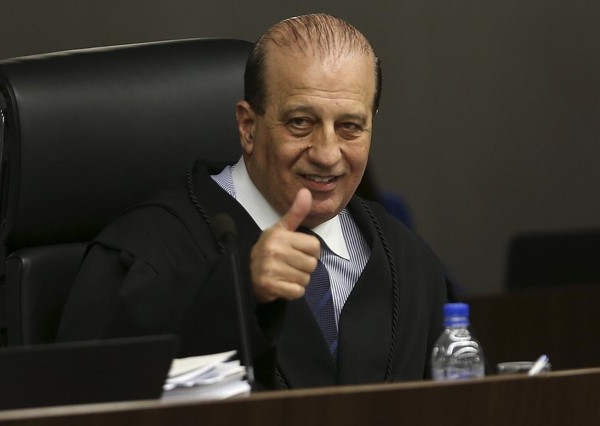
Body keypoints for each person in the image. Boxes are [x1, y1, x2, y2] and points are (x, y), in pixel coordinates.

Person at [57, 13, 457, 390]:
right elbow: (82, 386)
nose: (327, 153)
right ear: (248, 127)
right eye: (301, 122)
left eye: (350, 127)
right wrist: (236, 286)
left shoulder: (407, 261)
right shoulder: (148, 246)